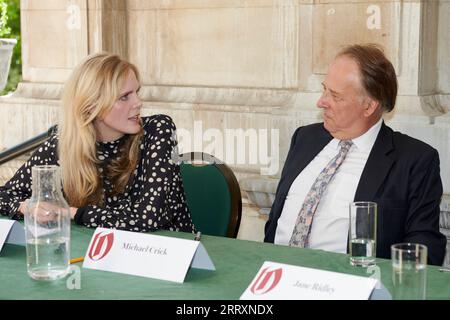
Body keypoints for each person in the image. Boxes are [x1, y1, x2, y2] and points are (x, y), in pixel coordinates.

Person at [264, 44, 446, 266]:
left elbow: (425, 246)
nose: (321, 102)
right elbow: (276, 221)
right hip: (275, 274)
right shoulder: (305, 138)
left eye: (335, 96)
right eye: (324, 89)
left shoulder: (413, 160)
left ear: (369, 106)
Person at [0, 53, 195, 234]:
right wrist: (28, 207)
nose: (138, 102)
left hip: (164, 259)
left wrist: (71, 213)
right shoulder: (64, 145)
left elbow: (147, 220)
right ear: (92, 106)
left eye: (136, 92)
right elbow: (4, 195)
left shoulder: (158, 130)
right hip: (97, 258)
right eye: (125, 96)